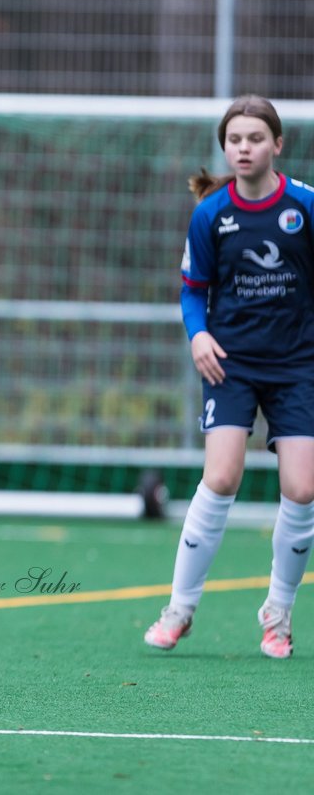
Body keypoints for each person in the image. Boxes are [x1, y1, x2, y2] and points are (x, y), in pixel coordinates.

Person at [144, 94, 314, 660]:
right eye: (235, 140)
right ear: (225, 146)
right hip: (230, 363)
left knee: (303, 488)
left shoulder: (305, 208)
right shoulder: (211, 213)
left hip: (297, 366)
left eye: (256, 139)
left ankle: (277, 615)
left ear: (277, 145)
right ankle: (179, 609)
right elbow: (193, 290)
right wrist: (199, 335)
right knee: (220, 477)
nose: (245, 148)